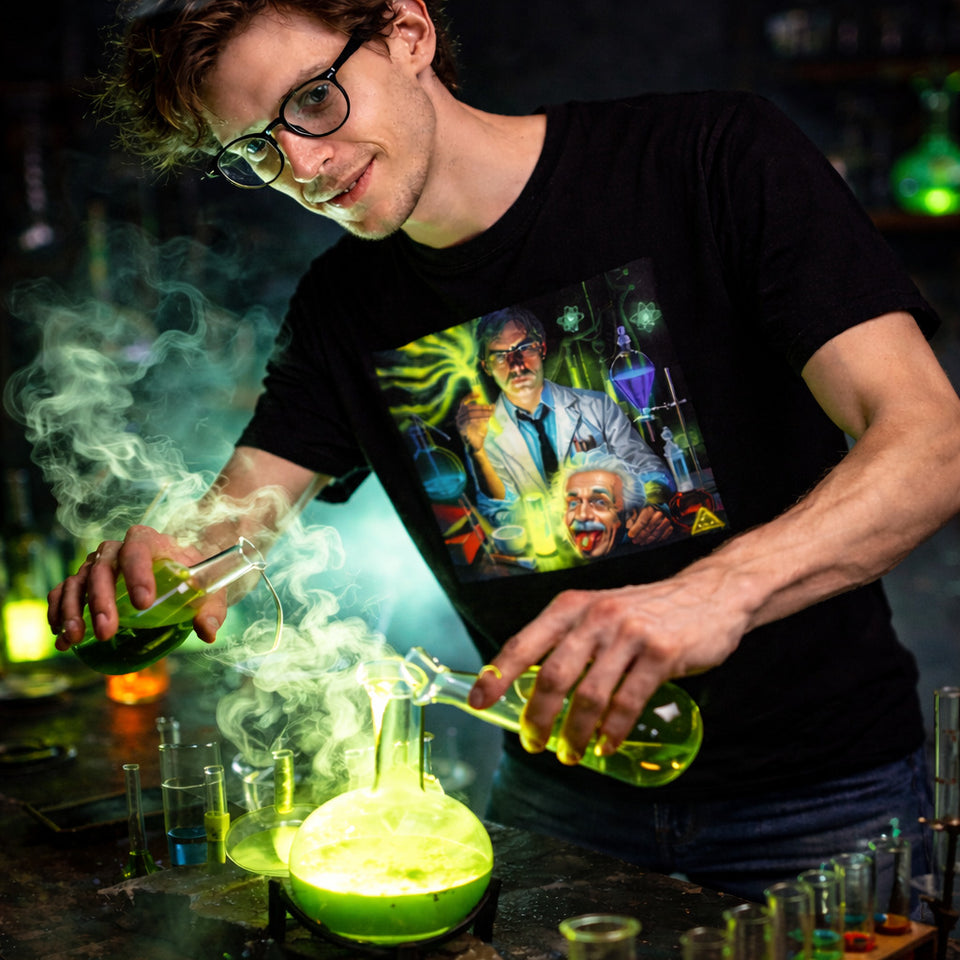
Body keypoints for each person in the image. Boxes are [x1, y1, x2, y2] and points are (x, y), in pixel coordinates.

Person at [49, 0, 960, 900]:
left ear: (407, 33)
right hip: (558, 806)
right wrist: (156, 573)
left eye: (314, 100)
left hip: (822, 799)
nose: (304, 164)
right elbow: (228, 533)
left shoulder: (707, 154)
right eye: (257, 149)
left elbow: (933, 441)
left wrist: (714, 591)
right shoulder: (340, 308)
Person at [454, 306, 675, 539]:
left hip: (620, 540)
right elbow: (496, 514)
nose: (516, 364)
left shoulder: (598, 405)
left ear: (542, 348)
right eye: (500, 356)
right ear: (486, 367)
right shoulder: (483, 435)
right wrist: (478, 452)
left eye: (524, 347)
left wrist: (653, 506)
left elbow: (650, 469)